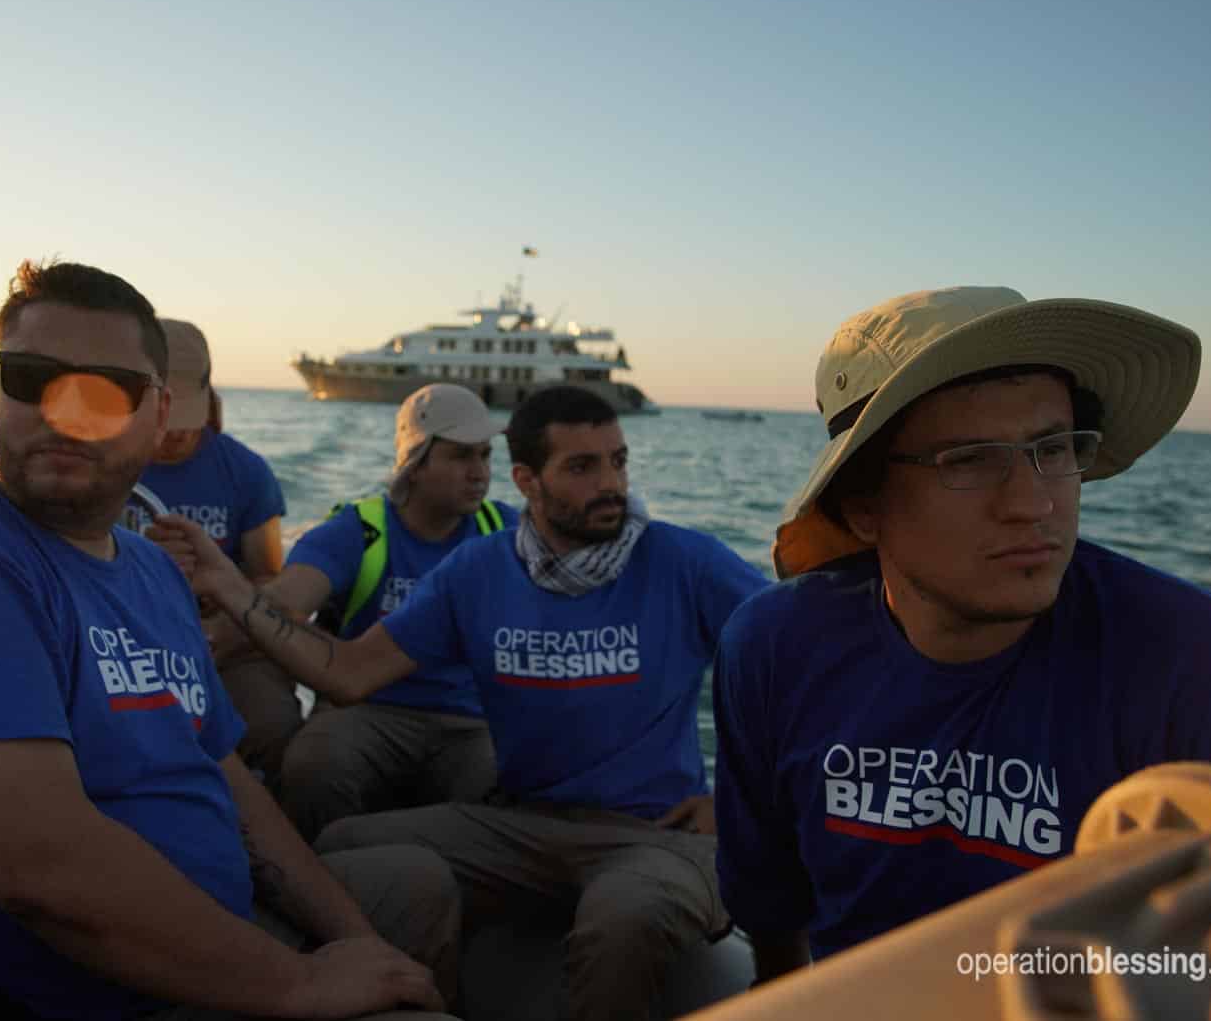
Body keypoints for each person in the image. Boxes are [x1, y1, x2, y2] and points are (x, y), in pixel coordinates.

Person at [0, 260, 457, 1020]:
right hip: (59, 987)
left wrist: (356, 945)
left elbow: (226, 780)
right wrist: (300, 983)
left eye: (108, 391)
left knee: (418, 891)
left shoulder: (148, 570)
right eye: (33, 377)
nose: (65, 414)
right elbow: (43, 871)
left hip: (212, 940)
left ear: (160, 410)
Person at [711, 285, 1211, 983]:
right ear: (863, 505)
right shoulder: (773, 647)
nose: (1035, 504)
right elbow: (773, 915)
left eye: (1053, 447)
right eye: (967, 460)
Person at [150, 385, 771, 1021]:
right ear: (528, 480)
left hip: (658, 833)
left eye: (618, 460)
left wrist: (744, 799)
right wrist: (228, 585)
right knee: (344, 846)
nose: (610, 482)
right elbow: (349, 672)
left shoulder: (682, 559)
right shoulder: (481, 569)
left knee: (625, 918)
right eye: (582, 467)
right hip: (526, 824)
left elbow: (802, 659)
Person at [262, 383, 516, 840]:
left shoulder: (506, 531)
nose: (479, 472)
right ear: (415, 463)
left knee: (509, 773)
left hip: (471, 725)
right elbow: (283, 607)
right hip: (364, 713)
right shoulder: (358, 531)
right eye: (460, 456)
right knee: (315, 761)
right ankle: (324, 883)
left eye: (485, 456)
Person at [126, 319, 292, 778]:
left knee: (273, 722)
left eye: (188, 420)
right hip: (124, 638)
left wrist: (223, 630)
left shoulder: (246, 472)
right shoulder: (105, 463)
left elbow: (270, 579)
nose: (177, 433)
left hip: (226, 640)